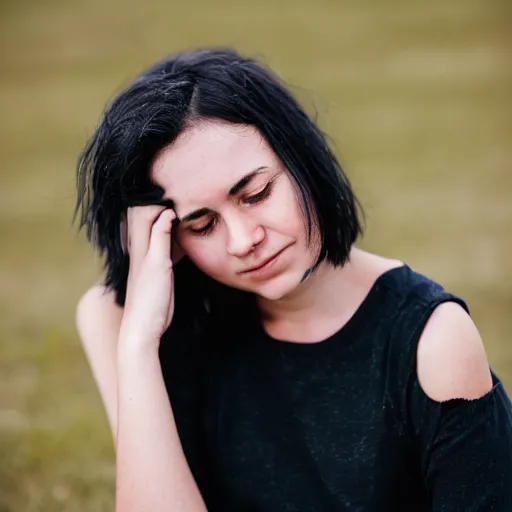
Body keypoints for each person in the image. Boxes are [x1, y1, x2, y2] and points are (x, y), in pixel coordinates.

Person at [74, 48, 512, 512]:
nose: (244, 240)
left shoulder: (430, 341)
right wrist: (139, 345)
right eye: (202, 225)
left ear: (302, 157)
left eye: (257, 193)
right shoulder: (126, 324)